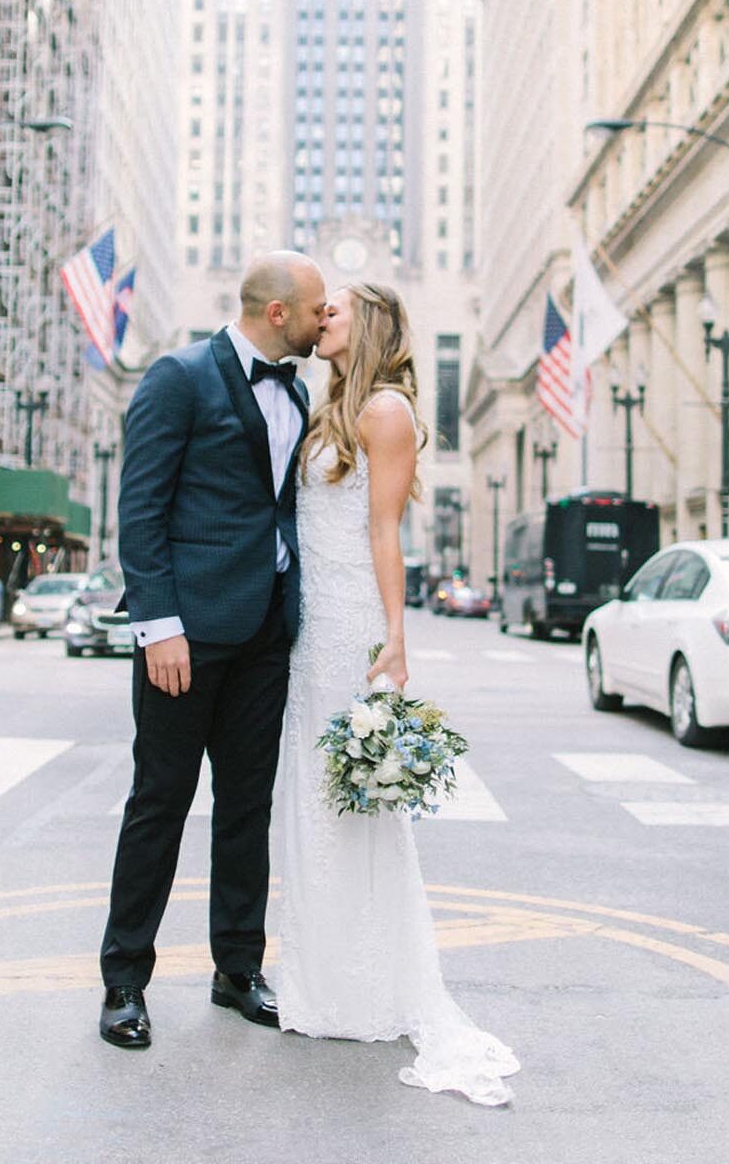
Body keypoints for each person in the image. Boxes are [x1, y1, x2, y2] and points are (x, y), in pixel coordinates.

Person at [275, 282, 520, 1106]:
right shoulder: (328, 404)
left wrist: (396, 635)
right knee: (312, 802)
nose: (320, 317)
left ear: (367, 324)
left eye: (333, 309)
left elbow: (384, 530)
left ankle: (367, 987)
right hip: (311, 626)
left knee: (349, 804)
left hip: (350, 624)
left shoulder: (385, 410)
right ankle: (322, 978)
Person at [99, 251, 327, 1049]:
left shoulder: (296, 389)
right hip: (185, 638)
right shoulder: (179, 376)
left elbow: (279, 507)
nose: (322, 320)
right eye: (315, 309)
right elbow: (142, 509)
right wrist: (158, 625)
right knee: (159, 803)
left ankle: (237, 969)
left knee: (245, 807)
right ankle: (124, 981)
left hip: (265, 632)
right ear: (277, 313)